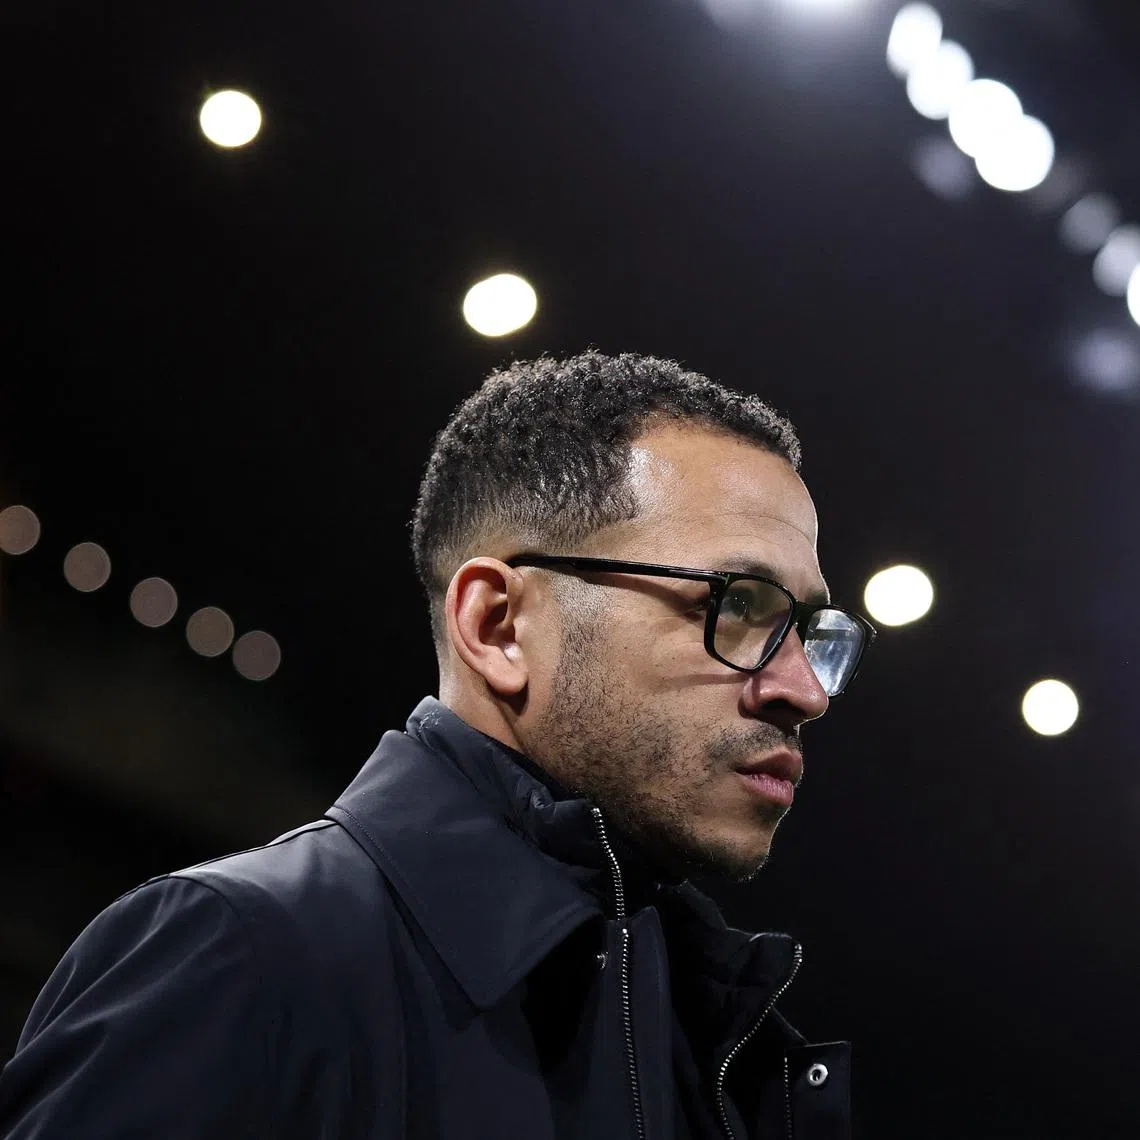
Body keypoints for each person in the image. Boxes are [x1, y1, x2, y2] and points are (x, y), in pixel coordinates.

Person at [0, 350, 875, 1139]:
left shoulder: (715, 1029)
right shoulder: (242, 955)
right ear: (497, 625)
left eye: (812, 631)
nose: (802, 690)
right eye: (740, 606)